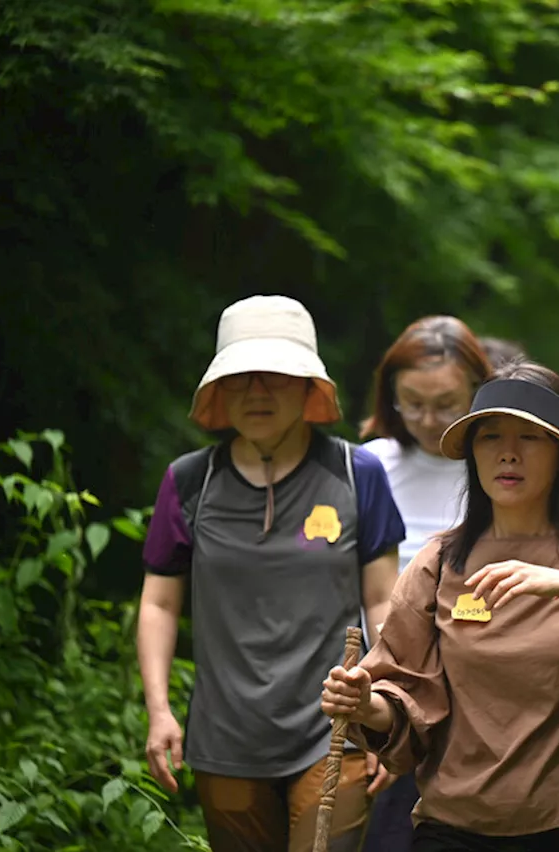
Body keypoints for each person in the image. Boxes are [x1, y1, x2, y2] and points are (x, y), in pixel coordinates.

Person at [321, 361, 559, 851]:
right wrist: (365, 705)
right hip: (452, 831)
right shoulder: (438, 562)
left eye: (530, 438)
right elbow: (406, 698)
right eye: (490, 437)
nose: (508, 454)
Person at [137, 295, 405, 852]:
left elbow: (383, 601)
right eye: (241, 378)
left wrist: (390, 713)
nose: (258, 392)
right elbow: (159, 604)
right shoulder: (189, 482)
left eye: (276, 377)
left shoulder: (357, 475)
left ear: (308, 388)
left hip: (337, 733)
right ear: (219, 391)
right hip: (225, 737)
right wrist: (159, 711)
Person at [359, 316, 494, 852]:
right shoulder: (371, 464)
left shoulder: (499, 464)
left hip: (486, 678)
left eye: (446, 404)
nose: (427, 419)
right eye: (411, 403)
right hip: (395, 679)